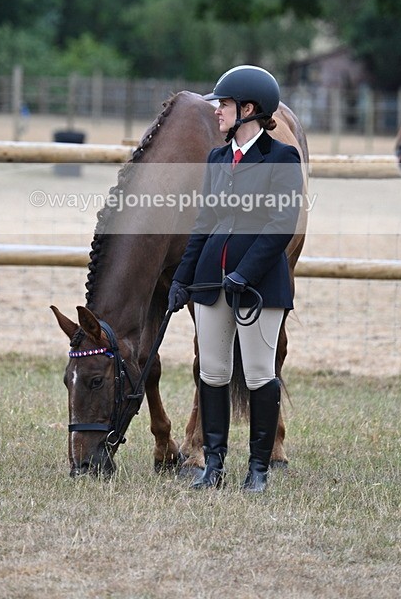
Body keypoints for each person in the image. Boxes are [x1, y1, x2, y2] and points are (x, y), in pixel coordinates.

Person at [168, 65, 303, 492]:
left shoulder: (283, 158)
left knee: (262, 375)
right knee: (212, 373)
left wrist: (245, 272)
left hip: (261, 283)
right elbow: (204, 223)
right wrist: (182, 277)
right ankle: (214, 466)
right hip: (212, 283)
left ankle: (258, 470)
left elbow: (281, 224)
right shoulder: (217, 158)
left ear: (248, 109)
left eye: (224, 105)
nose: (217, 113)